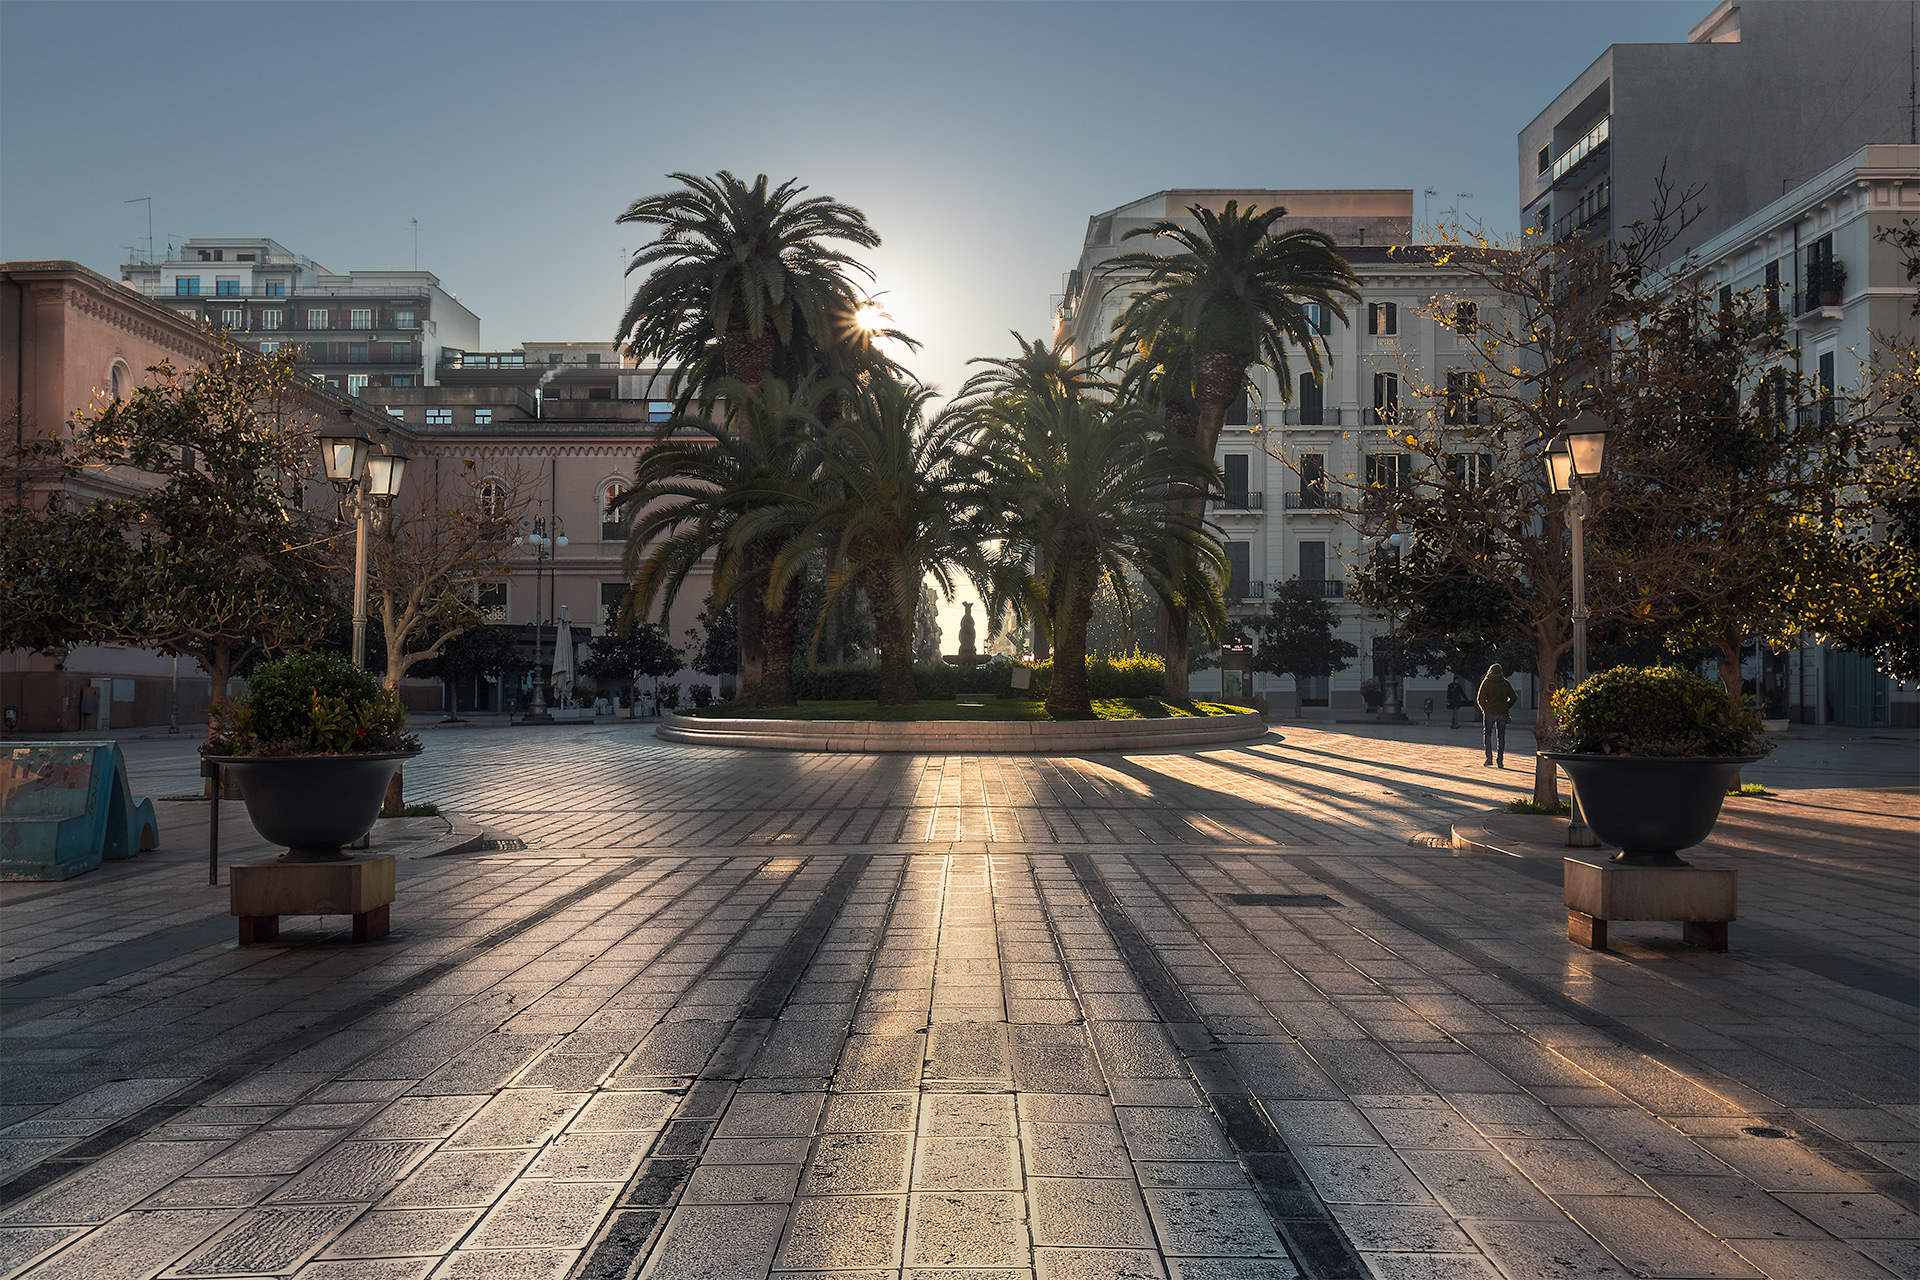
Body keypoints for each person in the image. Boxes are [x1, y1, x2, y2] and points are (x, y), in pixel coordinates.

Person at [1476, 664, 1516, 767]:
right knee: (1501, 737)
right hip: (1502, 712)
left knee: (1487, 735)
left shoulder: (1486, 682)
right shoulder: (1505, 683)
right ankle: (1500, 761)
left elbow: (1480, 698)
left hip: (1489, 712)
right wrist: (1507, 706)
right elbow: (1514, 697)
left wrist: (1485, 708)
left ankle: (1489, 759)